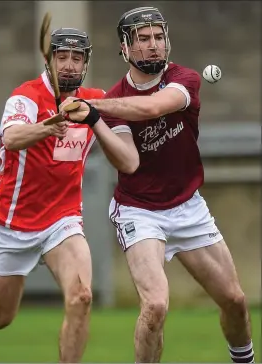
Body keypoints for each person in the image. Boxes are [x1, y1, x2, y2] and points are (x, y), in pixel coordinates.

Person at [60, 6, 256, 364]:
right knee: (154, 306)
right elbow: (129, 162)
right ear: (125, 47)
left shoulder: (185, 79)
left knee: (235, 301)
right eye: (144, 39)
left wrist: (94, 105)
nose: (154, 46)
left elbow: (153, 109)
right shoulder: (117, 100)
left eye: (159, 37)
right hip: (139, 211)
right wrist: (95, 120)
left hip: (188, 206)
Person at [0, 28, 108, 363]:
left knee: (81, 296)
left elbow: (132, 112)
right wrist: (47, 127)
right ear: (49, 59)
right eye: (61, 56)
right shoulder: (25, 97)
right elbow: (11, 138)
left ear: (85, 62)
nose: (68, 65)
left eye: (76, 58)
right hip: (12, 222)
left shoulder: (93, 100)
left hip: (62, 221)